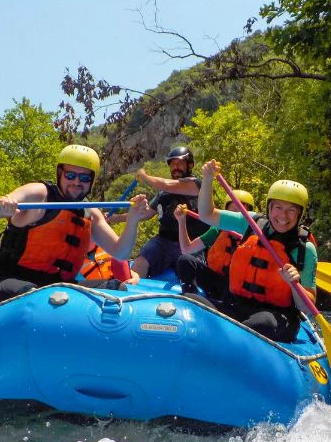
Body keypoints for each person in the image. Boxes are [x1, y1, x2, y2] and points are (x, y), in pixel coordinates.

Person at [0, 144, 149, 306]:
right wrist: (1, 207)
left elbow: (121, 253)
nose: (76, 182)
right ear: (60, 174)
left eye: (84, 178)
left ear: (91, 181)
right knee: (35, 293)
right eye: (70, 175)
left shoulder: (90, 212)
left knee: (115, 287)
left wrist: (132, 220)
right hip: (7, 281)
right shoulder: (38, 194)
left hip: (57, 285)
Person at [194, 159, 318, 343]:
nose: (283, 216)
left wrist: (294, 284)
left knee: (261, 324)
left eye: (291, 210)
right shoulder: (252, 223)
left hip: (277, 316)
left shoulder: (305, 249)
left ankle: (229, 341)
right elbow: (207, 214)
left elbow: (307, 307)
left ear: (300, 214)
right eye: (278, 208)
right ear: (269, 208)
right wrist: (207, 179)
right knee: (192, 302)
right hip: (238, 305)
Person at [121, 146, 209, 282]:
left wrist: (145, 177)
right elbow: (144, 214)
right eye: (173, 164)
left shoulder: (196, 185)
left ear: (190, 165)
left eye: (180, 163)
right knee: (143, 258)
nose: (176, 167)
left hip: (190, 243)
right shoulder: (163, 193)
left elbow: (167, 184)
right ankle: (130, 285)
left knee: (191, 270)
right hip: (162, 242)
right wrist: (115, 218)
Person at [173, 189, 256, 299]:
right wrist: (181, 221)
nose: (236, 216)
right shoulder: (218, 230)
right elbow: (186, 249)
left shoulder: (256, 235)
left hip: (240, 290)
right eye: (233, 211)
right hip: (216, 281)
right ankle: (190, 296)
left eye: (241, 213)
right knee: (185, 260)